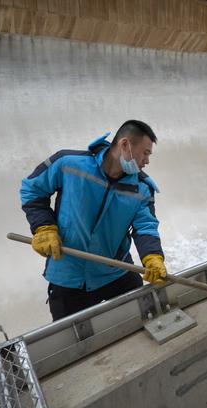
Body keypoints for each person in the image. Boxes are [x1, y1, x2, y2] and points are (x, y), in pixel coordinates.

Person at [20, 120, 167, 321]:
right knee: (76, 346)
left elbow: (145, 227)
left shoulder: (141, 188)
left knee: (141, 324)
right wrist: (44, 227)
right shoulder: (67, 164)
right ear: (124, 145)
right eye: (145, 153)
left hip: (116, 272)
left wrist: (153, 257)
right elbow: (32, 189)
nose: (147, 161)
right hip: (69, 277)